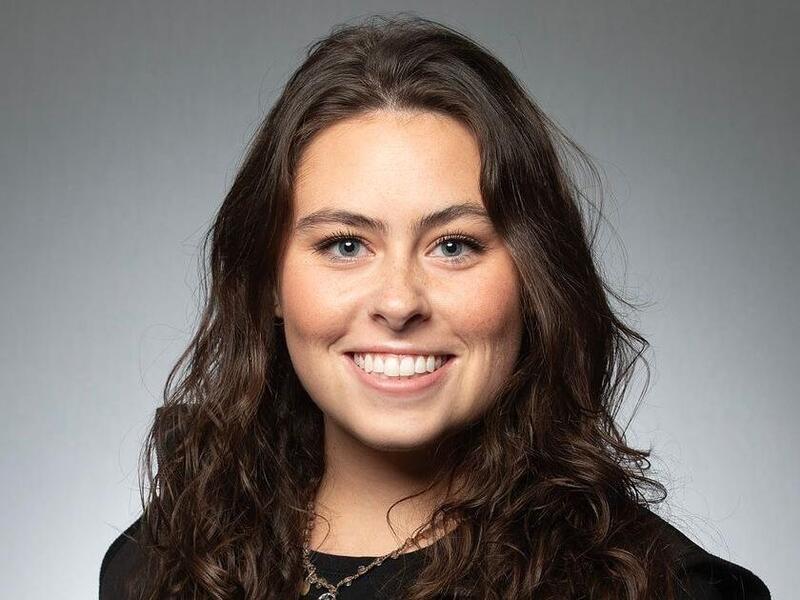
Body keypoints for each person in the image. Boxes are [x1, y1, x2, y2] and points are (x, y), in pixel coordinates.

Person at [99, 13, 771, 600]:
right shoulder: (154, 568)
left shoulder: (668, 588)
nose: (398, 301)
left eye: (453, 245)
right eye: (344, 244)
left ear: (534, 277)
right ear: (269, 281)